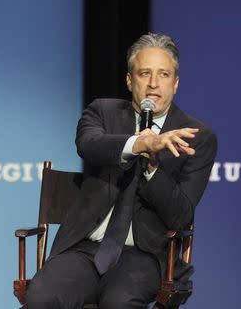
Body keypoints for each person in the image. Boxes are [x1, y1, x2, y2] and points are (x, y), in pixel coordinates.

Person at [23, 33, 217, 309]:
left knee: (118, 303)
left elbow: (180, 214)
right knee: (40, 299)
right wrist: (139, 143)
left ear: (175, 84)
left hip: (145, 255)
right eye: (144, 73)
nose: (153, 84)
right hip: (84, 249)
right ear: (129, 80)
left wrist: (152, 166)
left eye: (163, 74)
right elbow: (88, 145)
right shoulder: (103, 111)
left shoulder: (196, 137)